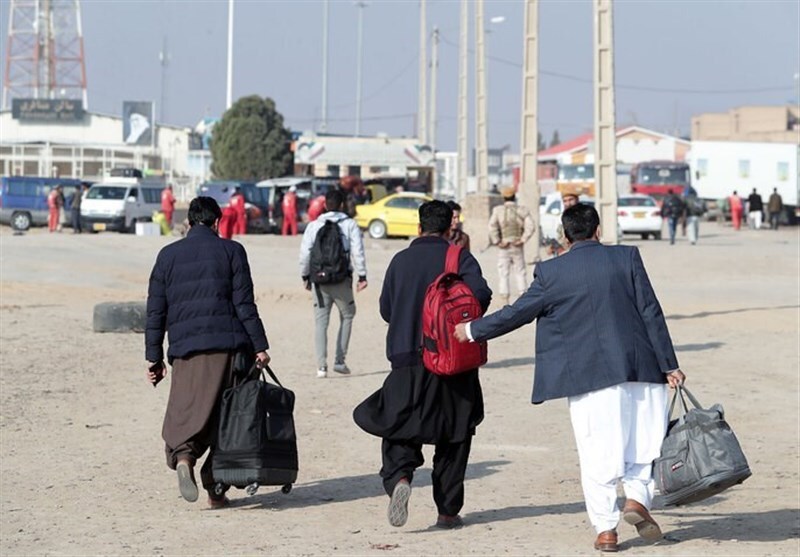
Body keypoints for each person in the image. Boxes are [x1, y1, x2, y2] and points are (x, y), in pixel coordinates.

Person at [454, 203, 685, 553]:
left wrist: (472, 330)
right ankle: (638, 500)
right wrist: (669, 364)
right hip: (643, 369)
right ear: (598, 230)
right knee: (642, 446)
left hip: (589, 377)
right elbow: (651, 311)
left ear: (564, 235)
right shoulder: (628, 258)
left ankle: (606, 530)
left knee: (597, 453)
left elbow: (516, 313)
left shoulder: (551, 272)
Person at [353, 200, 491, 530]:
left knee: (399, 426)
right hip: (451, 360)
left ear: (418, 228)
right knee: (454, 434)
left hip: (405, 359)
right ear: (449, 229)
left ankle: (400, 477)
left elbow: (387, 309)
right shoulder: (458, 257)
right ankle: (447, 510)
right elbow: (481, 297)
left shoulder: (399, 261)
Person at [145, 196, 270, 508]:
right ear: (217, 222)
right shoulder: (232, 251)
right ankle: (216, 489)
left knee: (188, 409)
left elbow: (155, 311)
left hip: (185, 350)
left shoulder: (167, 256)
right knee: (228, 419)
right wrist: (260, 346)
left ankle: (184, 456)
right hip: (228, 349)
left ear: (189, 222)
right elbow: (244, 304)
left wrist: (154, 358)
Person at [299, 189, 367, 378]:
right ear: (342, 205)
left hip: (319, 281)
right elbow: (357, 251)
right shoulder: (350, 224)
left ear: (325, 205)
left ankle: (321, 367)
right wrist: (362, 276)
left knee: (321, 322)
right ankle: (339, 360)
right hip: (341, 279)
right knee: (348, 315)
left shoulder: (314, 225)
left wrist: (305, 276)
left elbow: (305, 253)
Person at [488, 187, 535, 306]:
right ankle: (523, 301)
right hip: (517, 245)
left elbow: (492, 226)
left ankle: (505, 302)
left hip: (504, 246)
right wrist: (523, 239)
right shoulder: (522, 210)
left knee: (503, 273)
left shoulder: (498, 210)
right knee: (520, 272)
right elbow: (531, 226)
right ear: (514, 197)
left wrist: (497, 241)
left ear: (503, 198)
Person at [552, 191, 580, 256]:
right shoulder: (561, 217)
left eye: (571, 200)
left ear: (577, 200)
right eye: (565, 201)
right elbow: (559, 236)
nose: (568, 203)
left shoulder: (584, 215)